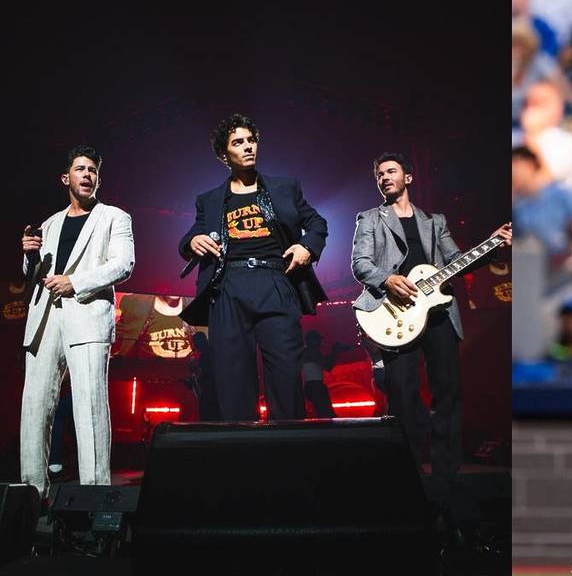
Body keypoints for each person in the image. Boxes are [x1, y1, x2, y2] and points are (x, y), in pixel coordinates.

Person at [350, 152, 511, 512]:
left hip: (438, 314)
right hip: (394, 316)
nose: (384, 177)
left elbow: (456, 261)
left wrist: (491, 246)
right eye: (379, 174)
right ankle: (405, 473)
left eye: (391, 171)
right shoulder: (370, 219)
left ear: (409, 177)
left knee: (448, 396)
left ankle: (446, 476)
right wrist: (387, 279)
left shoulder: (435, 222)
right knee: (403, 397)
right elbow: (360, 264)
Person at [179, 113, 328, 421]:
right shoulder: (209, 199)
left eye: (251, 140)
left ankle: (289, 457)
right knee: (233, 381)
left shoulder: (285, 187)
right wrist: (193, 241)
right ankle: (243, 457)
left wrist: (306, 247)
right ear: (224, 154)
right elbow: (191, 235)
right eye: (238, 142)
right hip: (228, 287)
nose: (248, 147)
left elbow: (316, 223)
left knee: (287, 375)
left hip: (276, 280)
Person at [20, 145, 135, 499]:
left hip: (86, 314)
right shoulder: (50, 224)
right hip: (45, 319)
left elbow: (123, 265)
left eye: (93, 170)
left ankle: (94, 496)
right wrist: (30, 257)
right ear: (65, 178)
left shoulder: (115, 217)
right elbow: (36, 275)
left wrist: (76, 282)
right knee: (35, 407)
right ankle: (31, 495)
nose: (87, 175)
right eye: (80, 169)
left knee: (89, 406)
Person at [301, 331, 347, 419]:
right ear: (312, 340)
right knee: (326, 414)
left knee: (322, 414)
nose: (320, 343)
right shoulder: (312, 351)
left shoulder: (307, 351)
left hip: (311, 385)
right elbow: (327, 366)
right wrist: (335, 352)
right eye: (318, 340)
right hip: (316, 386)